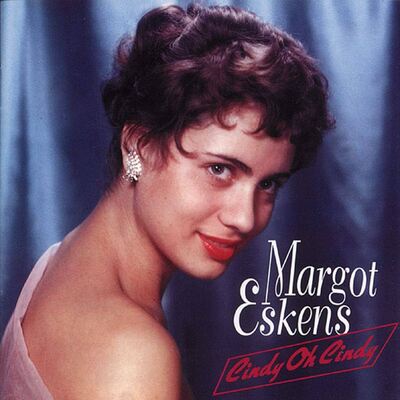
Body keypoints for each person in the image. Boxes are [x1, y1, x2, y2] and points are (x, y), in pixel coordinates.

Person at [0, 3, 334, 399]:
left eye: (269, 184)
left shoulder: (65, 261)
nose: (244, 218)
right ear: (138, 144)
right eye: (220, 169)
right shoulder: (131, 357)